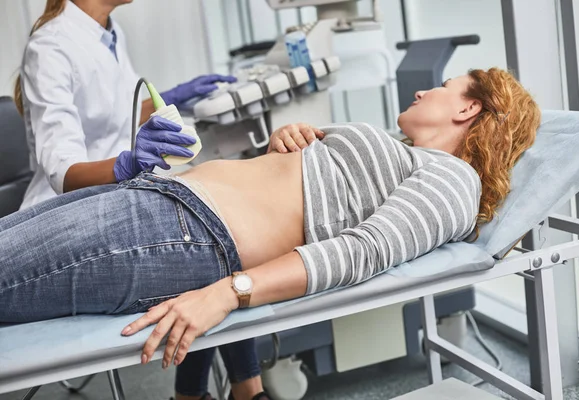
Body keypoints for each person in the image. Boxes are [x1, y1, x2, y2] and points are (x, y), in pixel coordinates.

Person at [1, 68, 541, 399]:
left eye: (443, 88)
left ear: (468, 107)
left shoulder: (454, 182)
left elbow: (361, 252)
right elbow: (314, 190)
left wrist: (227, 292)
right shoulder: (405, 154)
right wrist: (293, 139)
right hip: (163, 200)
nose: (426, 90)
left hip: (182, 232)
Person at [13, 1, 257, 399]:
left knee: (218, 236)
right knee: (205, 256)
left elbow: (112, 111)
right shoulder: (50, 46)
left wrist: (177, 95)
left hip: (114, 205)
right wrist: (128, 162)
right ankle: (226, 392)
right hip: (63, 221)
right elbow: (63, 171)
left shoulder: (108, 32)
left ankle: (224, 391)